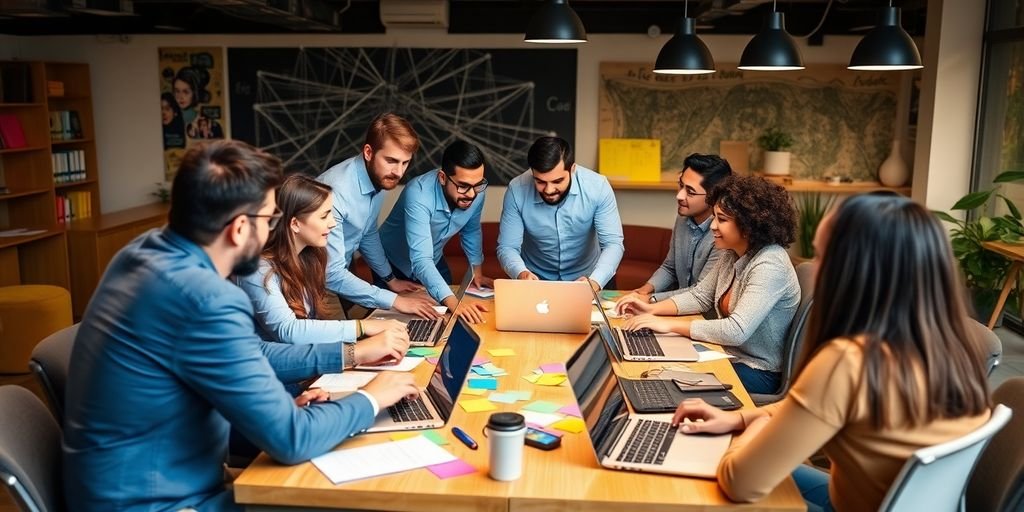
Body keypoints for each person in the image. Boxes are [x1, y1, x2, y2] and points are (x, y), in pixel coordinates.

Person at [63, 140, 417, 511]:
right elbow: (292, 439)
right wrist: (373, 396)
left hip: (131, 484)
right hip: (159, 503)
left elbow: (250, 356)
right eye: (268, 220)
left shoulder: (141, 253)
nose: (270, 233)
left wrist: (282, 404)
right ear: (238, 229)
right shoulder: (208, 298)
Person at [669, 193, 992, 511]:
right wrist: (738, 417)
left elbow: (740, 483)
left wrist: (750, 430)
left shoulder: (848, 361)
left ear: (859, 271)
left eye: (823, 257)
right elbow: (803, 410)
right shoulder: (953, 347)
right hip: (882, 500)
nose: (814, 270)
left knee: (710, 477)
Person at [617, 175, 799, 394]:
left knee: (657, 379)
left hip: (759, 371)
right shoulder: (733, 253)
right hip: (728, 354)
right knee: (649, 367)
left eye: (721, 219)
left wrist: (667, 325)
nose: (713, 226)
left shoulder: (771, 264)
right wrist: (651, 308)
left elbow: (736, 331)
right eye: (714, 217)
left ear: (749, 225)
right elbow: (700, 296)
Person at [236, 174, 409, 344]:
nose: (333, 223)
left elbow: (311, 327)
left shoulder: (309, 257)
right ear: (295, 224)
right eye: (324, 215)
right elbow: (288, 331)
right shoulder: (258, 270)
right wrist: (362, 327)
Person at [318, 113, 437, 319]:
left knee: (393, 322)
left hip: (339, 272)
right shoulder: (337, 192)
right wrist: (397, 300)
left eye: (405, 163)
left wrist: (391, 280)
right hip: (314, 283)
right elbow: (331, 275)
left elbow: (367, 233)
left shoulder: (379, 178)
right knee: (349, 344)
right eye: (391, 160)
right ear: (368, 152)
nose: (398, 172)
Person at [377, 140, 494, 323]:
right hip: (391, 265)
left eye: (478, 185)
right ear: (442, 177)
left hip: (434, 260)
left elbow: (471, 231)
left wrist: (476, 272)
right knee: (396, 325)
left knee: (443, 323)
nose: (471, 194)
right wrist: (455, 304)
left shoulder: (476, 192)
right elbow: (421, 259)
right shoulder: (418, 193)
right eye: (463, 186)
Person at [496, 136, 624, 289]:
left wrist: (595, 281)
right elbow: (507, 247)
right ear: (532, 173)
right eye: (540, 182)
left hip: (591, 278)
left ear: (573, 169)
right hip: (535, 280)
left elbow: (613, 244)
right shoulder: (517, 190)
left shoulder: (598, 187)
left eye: (557, 181)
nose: (549, 190)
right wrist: (521, 273)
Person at [616, 153, 731, 307]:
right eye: (680, 185)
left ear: (713, 196)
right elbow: (670, 267)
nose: (679, 195)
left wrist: (651, 299)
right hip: (675, 308)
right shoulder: (683, 219)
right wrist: (643, 291)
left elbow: (702, 293)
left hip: (704, 317)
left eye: (690, 191)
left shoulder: (722, 234)